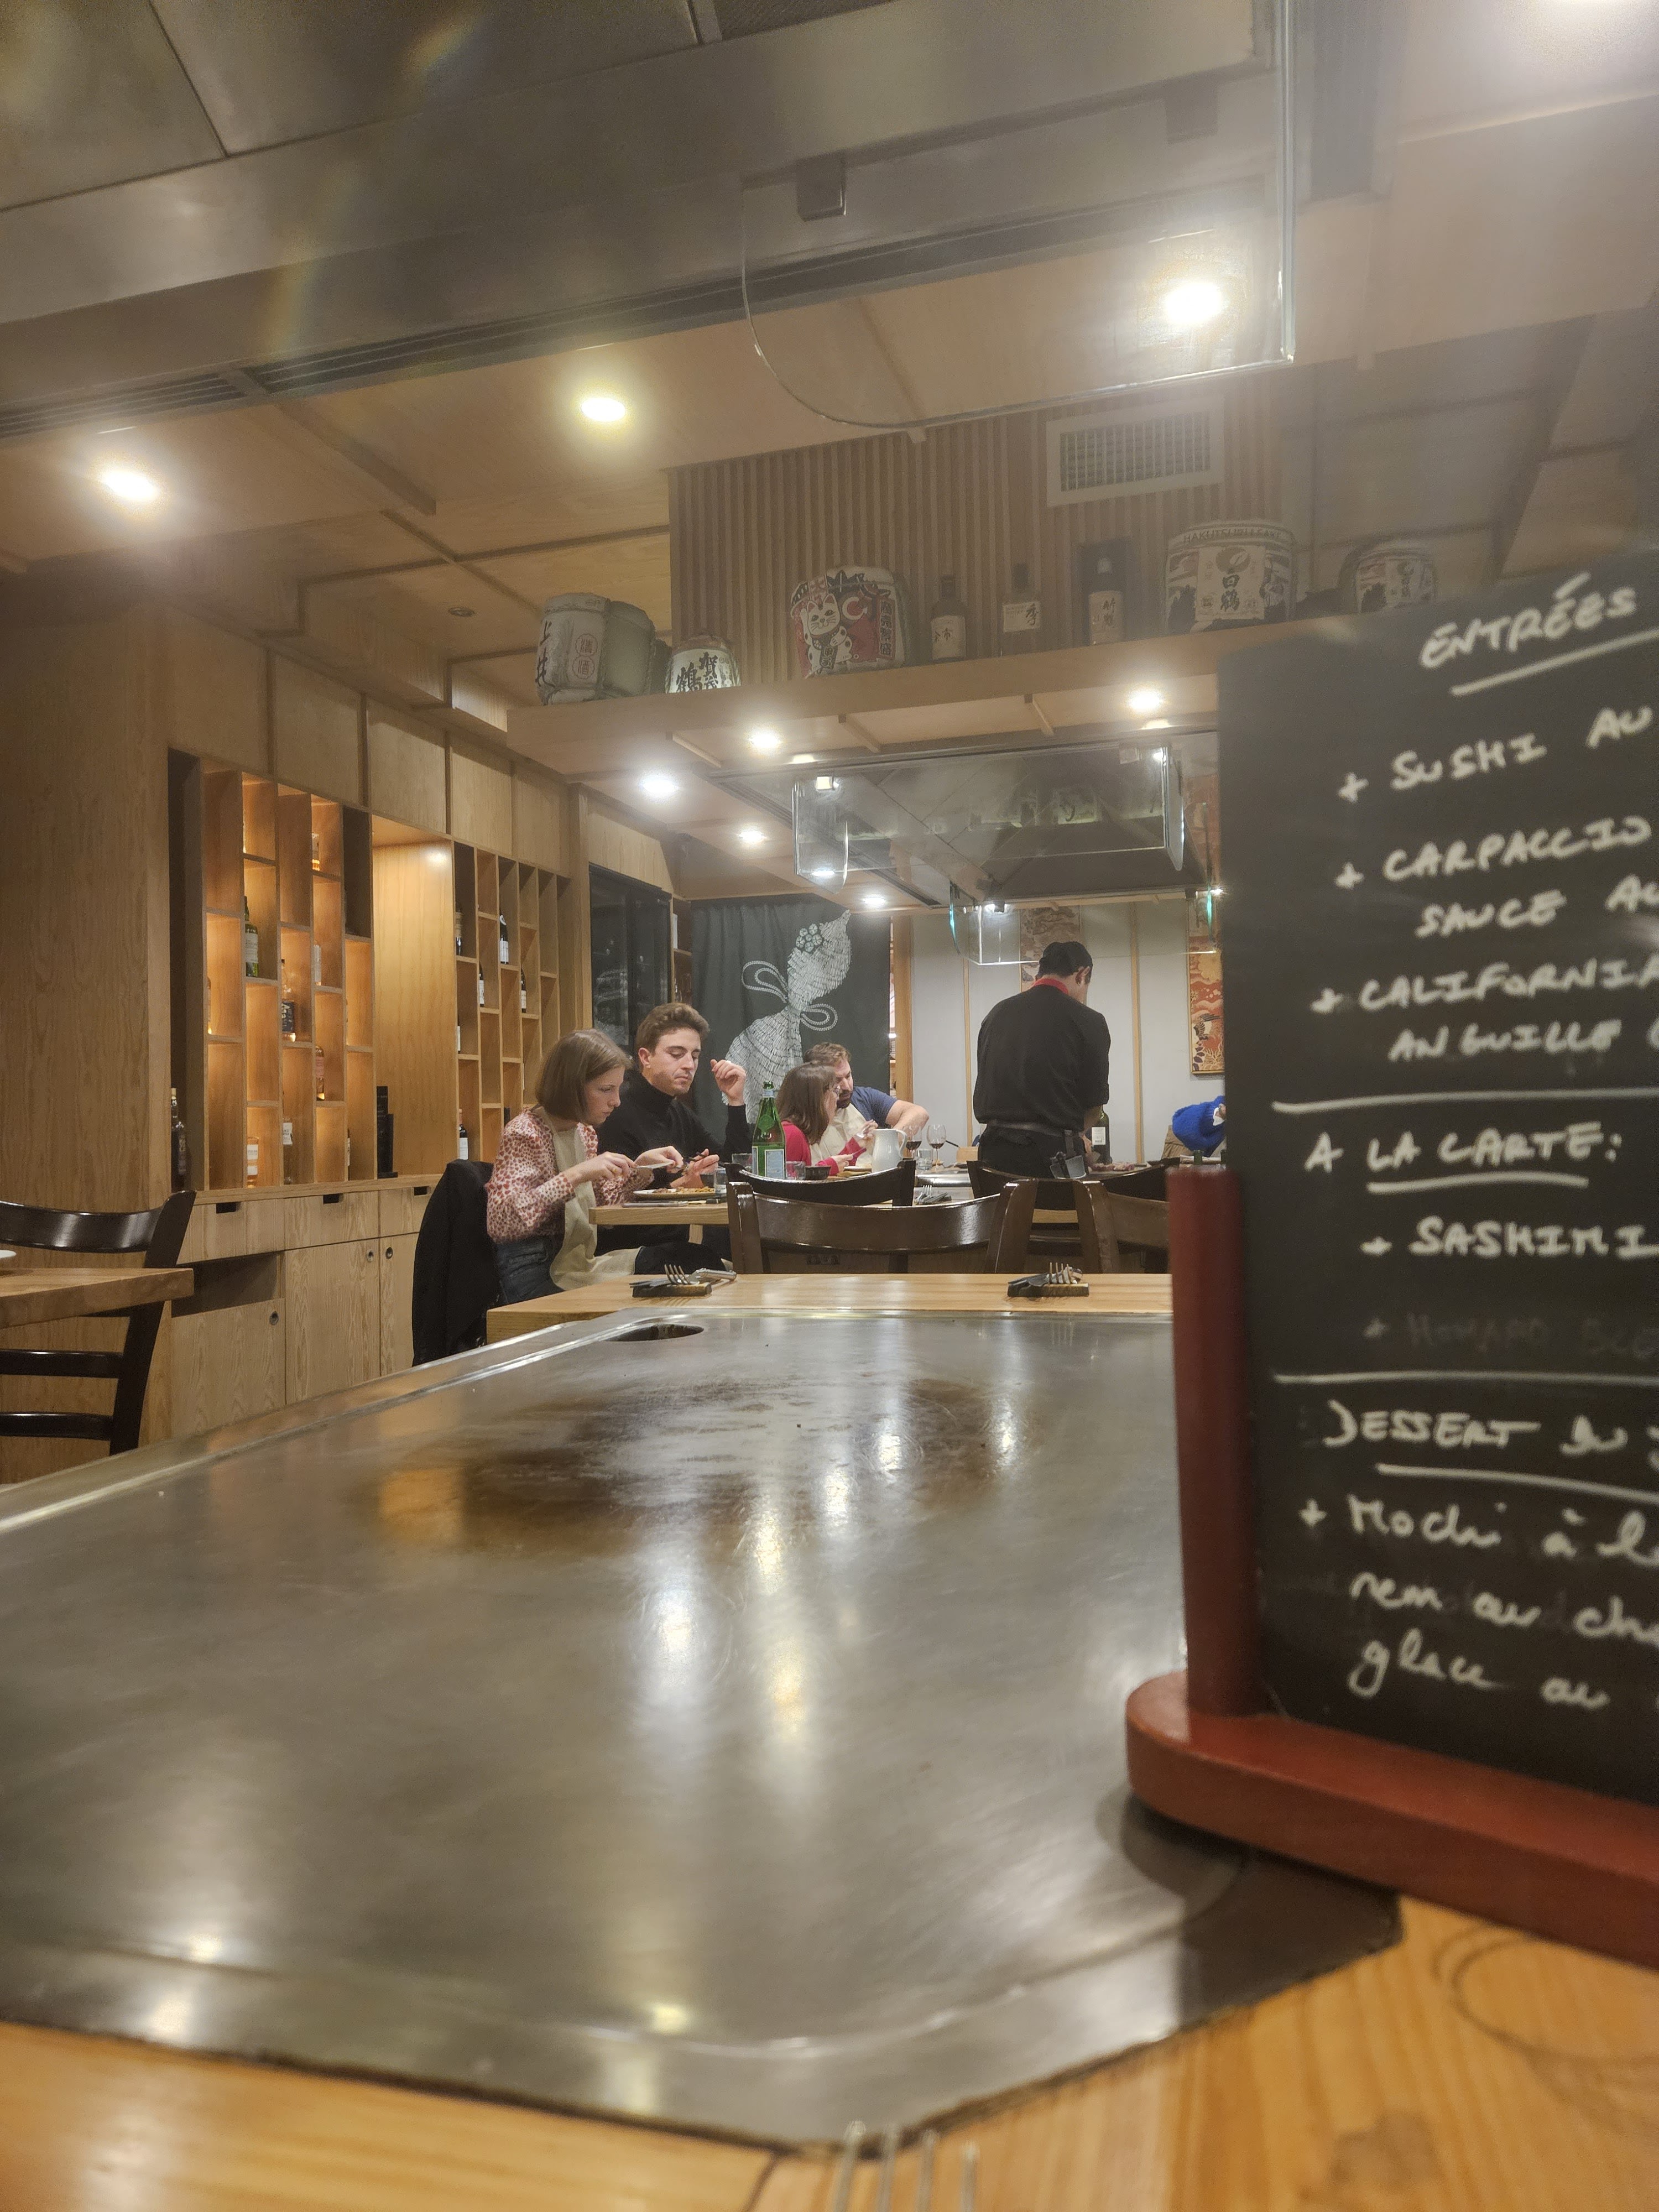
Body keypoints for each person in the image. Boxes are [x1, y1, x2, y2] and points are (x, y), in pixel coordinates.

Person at [487, 1030, 684, 1302]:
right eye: (606, 1090)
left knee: (689, 1258)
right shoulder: (524, 1133)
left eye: (617, 1089)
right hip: (532, 1269)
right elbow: (503, 1223)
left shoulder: (584, 1132)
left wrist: (641, 1168)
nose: (616, 1101)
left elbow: (602, 1205)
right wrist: (577, 1174)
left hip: (578, 1259)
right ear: (571, 1087)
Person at [972, 939, 1110, 1180]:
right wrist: (1077, 1135)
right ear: (1082, 975)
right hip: (1054, 1161)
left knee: (1000, 1207)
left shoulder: (996, 1015)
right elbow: (1094, 1107)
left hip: (993, 1159)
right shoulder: (1090, 1021)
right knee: (1058, 1207)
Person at [594, 1001, 751, 1180]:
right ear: (646, 1058)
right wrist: (686, 1183)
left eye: (695, 1056)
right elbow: (616, 1192)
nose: (689, 1065)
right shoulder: (615, 1111)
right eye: (676, 1054)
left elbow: (735, 1171)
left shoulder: (680, 1114)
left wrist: (736, 1101)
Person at [803, 1041, 929, 1154]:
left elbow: (919, 1114)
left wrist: (886, 1145)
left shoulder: (863, 1098)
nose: (847, 1086)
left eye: (848, 1076)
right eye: (837, 1080)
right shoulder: (803, 1116)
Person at [777, 1063, 868, 1175]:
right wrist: (826, 1168)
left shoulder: (796, 1132)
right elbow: (786, 1182)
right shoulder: (792, 1133)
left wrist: (852, 1148)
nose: (837, 1097)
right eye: (835, 1091)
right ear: (820, 1098)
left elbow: (802, 1176)